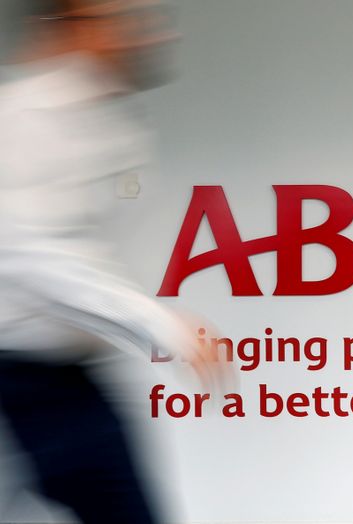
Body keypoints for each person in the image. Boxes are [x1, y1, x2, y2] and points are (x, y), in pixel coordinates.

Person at [0, 1, 225, 522]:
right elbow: (29, 252)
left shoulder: (113, 126)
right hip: (19, 381)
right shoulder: (24, 118)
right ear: (68, 27)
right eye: (123, 18)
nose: (148, 34)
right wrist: (159, 326)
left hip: (67, 380)